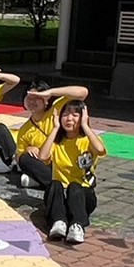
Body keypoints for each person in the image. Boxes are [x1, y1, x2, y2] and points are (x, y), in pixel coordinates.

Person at [39, 100, 107, 245]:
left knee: (75, 187)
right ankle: (59, 222)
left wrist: (85, 126)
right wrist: (55, 129)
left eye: (75, 115)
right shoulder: (57, 142)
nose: (69, 119)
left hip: (82, 195)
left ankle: (77, 225)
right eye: (65, 114)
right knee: (54, 185)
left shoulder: (87, 140)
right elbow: (43, 157)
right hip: (61, 195)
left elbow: (100, 150)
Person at [16, 79, 90, 188]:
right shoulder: (24, 129)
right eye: (29, 98)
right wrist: (28, 150)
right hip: (47, 167)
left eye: (37, 98)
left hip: (67, 162)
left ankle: (49, 183)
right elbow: (19, 159)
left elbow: (82, 92)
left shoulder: (56, 110)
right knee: (24, 158)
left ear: (46, 100)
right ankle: (55, 185)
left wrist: (51, 92)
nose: (32, 102)